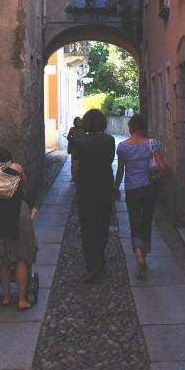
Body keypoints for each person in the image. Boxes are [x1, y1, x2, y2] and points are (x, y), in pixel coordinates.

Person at [114, 114, 167, 278]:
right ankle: (144, 254)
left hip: (132, 190)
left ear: (130, 127)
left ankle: (138, 253)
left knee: (134, 222)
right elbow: (162, 167)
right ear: (143, 127)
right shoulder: (151, 144)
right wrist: (159, 183)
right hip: (149, 188)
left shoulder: (123, 147)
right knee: (146, 222)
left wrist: (116, 188)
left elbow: (120, 170)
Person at [0, 146, 38, 309]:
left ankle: (6, 297)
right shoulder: (18, 169)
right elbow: (26, 189)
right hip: (19, 214)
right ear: (11, 158)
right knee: (22, 257)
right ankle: (22, 300)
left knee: (3, 258)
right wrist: (33, 208)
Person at [72, 108, 115, 283]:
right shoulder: (110, 140)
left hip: (86, 188)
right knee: (103, 223)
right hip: (105, 185)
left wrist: (78, 181)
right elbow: (110, 160)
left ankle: (93, 264)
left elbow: (75, 167)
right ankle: (100, 258)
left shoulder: (81, 141)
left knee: (88, 225)